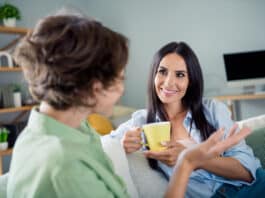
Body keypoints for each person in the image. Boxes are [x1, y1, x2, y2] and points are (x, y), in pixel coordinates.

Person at [110, 41, 265, 197]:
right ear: (153, 75)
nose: (169, 82)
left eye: (180, 75)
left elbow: (247, 172)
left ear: (191, 81)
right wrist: (123, 143)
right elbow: (102, 143)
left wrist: (192, 159)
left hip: (254, 188)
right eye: (162, 72)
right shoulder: (141, 121)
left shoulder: (212, 110)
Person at [7, 13, 130, 197]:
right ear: (95, 88)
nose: (122, 89)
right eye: (120, 78)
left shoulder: (61, 130)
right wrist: (183, 168)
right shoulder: (65, 165)